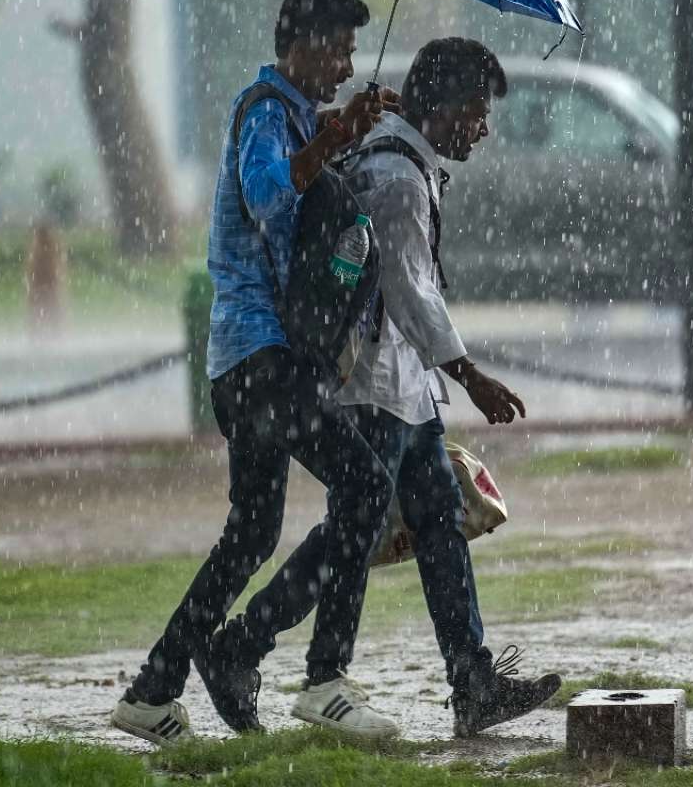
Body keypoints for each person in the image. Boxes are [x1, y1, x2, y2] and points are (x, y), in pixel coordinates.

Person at [210, 37, 561, 738]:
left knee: (437, 522)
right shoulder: (398, 178)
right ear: (441, 107)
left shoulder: (398, 157)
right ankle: (251, 650)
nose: (483, 128)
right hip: (373, 383)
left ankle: (472, 681)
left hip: (403, 383)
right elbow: (408, 290)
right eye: (476, 111)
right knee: (354, 534)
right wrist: (470, 375)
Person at [110, 0, 400, 746]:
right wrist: (330, 141)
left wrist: (341, 129)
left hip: (245, 365)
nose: (347, 65)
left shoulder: (290, 114)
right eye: (339, 51)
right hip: (264, 361)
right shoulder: (264, 111)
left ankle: (157, 689)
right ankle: (324, 678)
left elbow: (303, 184)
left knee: (251, 534)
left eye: (352, 54)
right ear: (302, 44)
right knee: (367, 485)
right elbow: (270, 196)